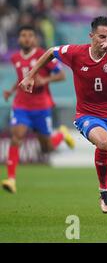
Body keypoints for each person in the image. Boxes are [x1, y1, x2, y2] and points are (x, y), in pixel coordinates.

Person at [19, 16, 107, 222]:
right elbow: (50, 52)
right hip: (87, 115)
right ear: (91, 36)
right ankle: (104, 191)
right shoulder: (76, 53)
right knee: (104, 142)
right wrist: (30, 76)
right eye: (101, 36)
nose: (106, 41)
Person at [1, 25, 75, 194]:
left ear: (35, 39)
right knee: (16, 136)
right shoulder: (15, 58)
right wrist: (12, 91)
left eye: (30, 35)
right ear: (19, 39)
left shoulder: (44, 55)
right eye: (23, 35)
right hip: (21, 105)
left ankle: (62, 134)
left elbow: (62, 75)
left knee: (46, 148)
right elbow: (22, 78)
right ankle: (11, 179)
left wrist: (45, 80)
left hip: (41, 106)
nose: (26, 38)